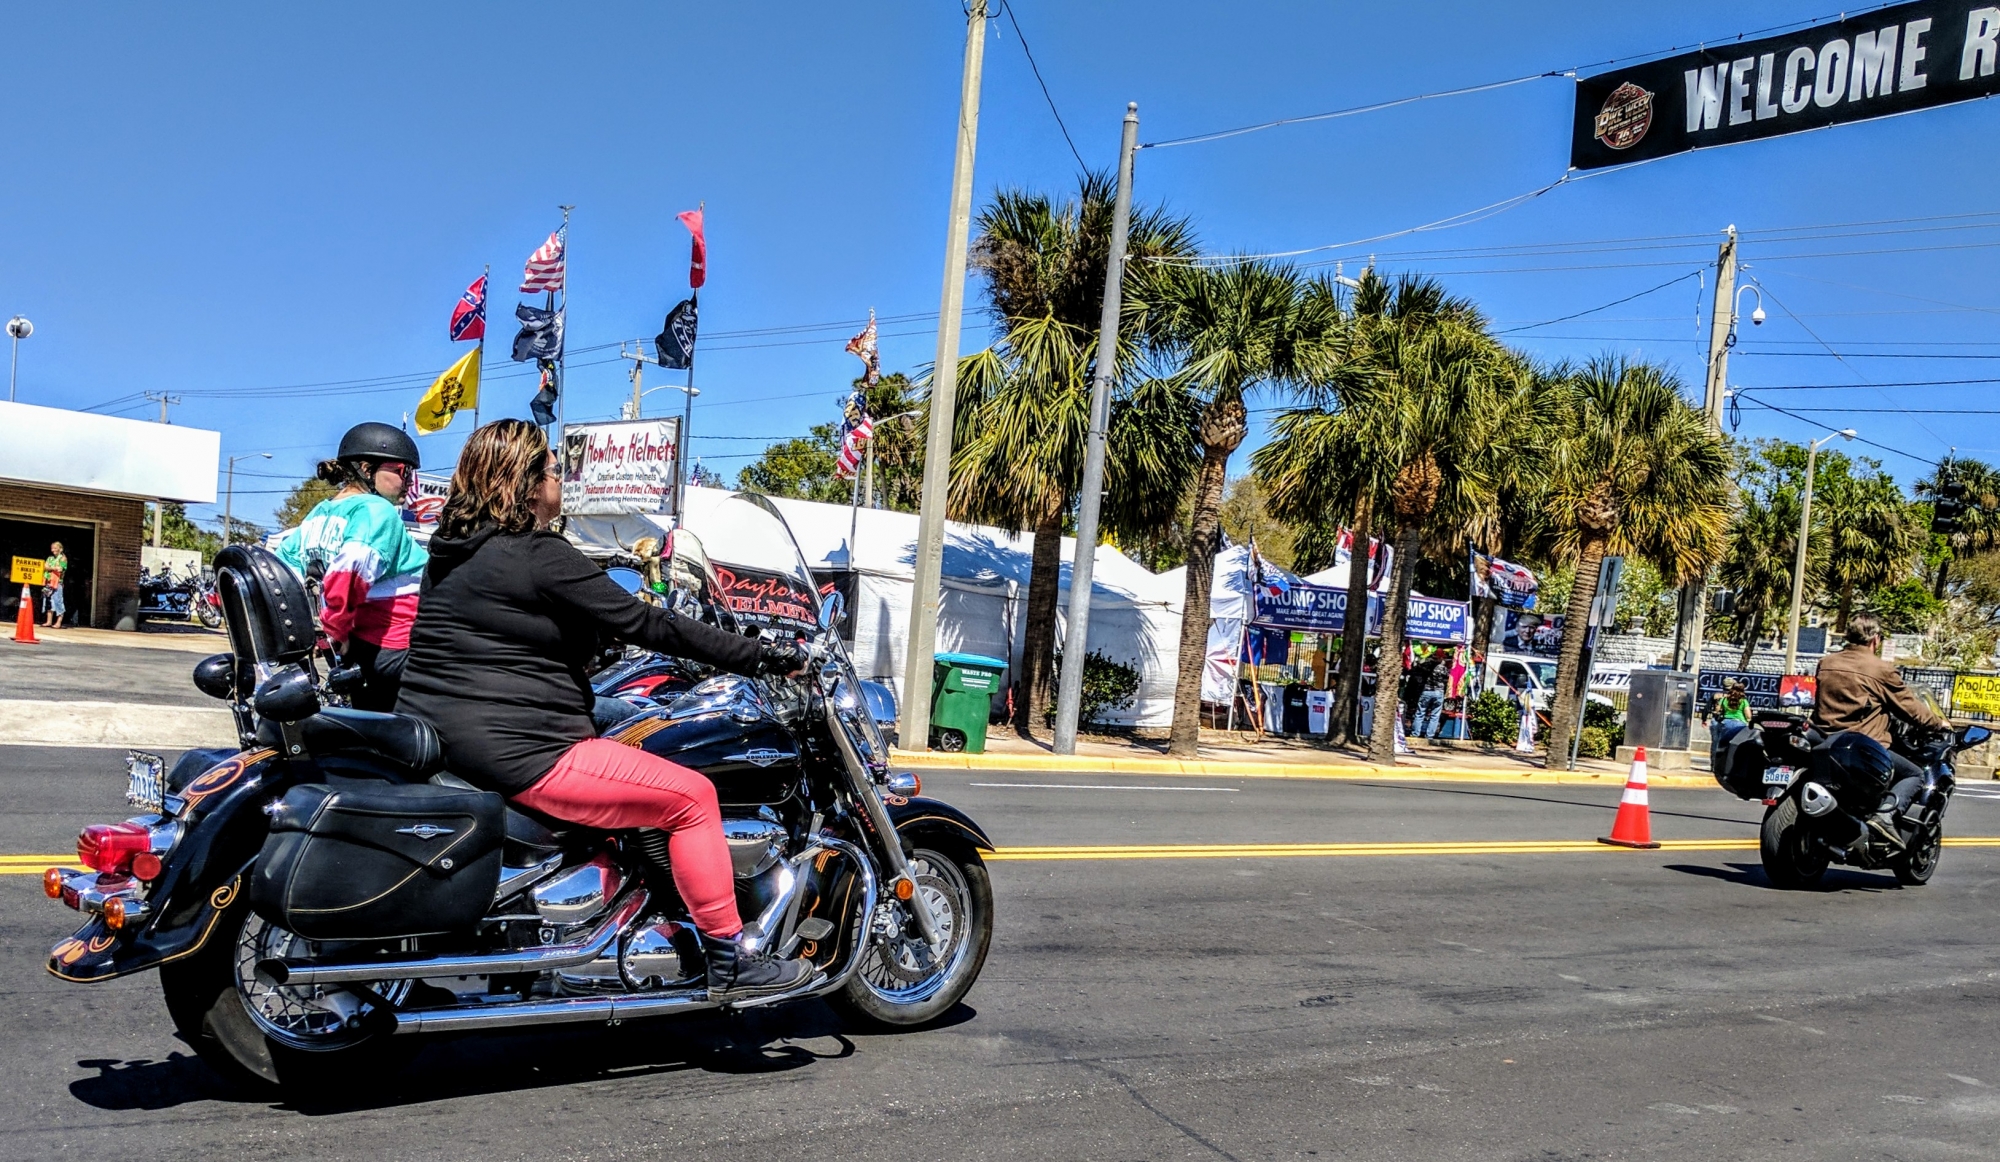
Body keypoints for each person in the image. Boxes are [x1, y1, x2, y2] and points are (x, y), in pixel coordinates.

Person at [396, 419, 814, 1000]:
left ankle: (643, 902)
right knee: (693, 797)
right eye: (550, 468)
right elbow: (649, 622)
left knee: (634, 728)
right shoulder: (536, 554)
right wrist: (761, 657)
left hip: (456, 730)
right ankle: (729, 957)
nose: (560, 478)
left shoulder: (452, 551)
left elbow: (520, 637)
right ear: (524, 481)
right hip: (523, 747)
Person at [276, 422, 428, 711]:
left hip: (359, 649)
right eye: (401, 471)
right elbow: (349, 574)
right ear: (366, 468)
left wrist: (323, 635)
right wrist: (336, 632)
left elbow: (282, 571)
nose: (408, 481)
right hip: (397, 646)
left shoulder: (319, 514)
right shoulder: (376, 510)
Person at [1812, 612, 1947, 815]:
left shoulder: (1826, 663)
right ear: (1875, 638)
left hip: (1824, 740)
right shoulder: (1881, 669)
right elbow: (1909, 707)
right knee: (1915, 775)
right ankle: (1884, 818)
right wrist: (1938, 724)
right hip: (1864, 746)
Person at [41, 541, 67, 628]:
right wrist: (54, 568)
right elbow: (44, 567)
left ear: (60, 549)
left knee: (58, 601)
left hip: (57, 583)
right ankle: (49, 621)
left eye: (55, 548)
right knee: (48, 601)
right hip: (48, 582)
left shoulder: (63, 558)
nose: (53, 550)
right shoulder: (50, 558)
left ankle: (58, 622)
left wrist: (50, 568)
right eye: (52, 548)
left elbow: (60, 569)